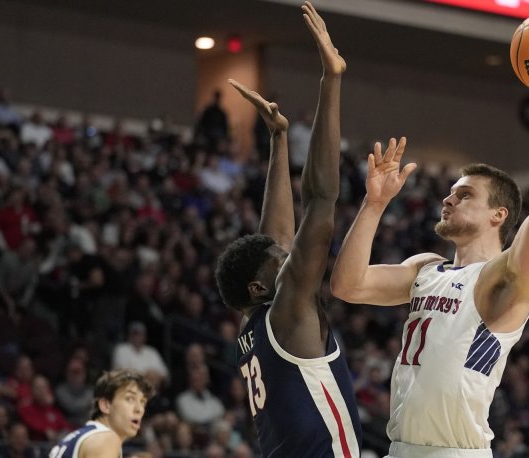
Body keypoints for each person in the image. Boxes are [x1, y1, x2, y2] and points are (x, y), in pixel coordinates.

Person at [330, 49, 529, 457]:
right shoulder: (424, 268)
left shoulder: (503, 277)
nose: (448, 200)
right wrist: (374, 205)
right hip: (400, 448)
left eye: (465, 194)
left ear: (499, 215)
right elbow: (347, 285)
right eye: (450, 193)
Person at [214, 2, 360, 457]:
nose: (289, 250)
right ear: (262, 286)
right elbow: (320, 199)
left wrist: (278, 139)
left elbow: (272, 238)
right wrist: (330, 80)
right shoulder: (287, 311)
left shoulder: (256, 322)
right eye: (282, 259)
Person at [48, 370, 153, 458]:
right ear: (105, 405)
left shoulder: (78, 437)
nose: (139, 409)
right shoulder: (106, 438)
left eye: (143, 401)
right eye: (130, 399)